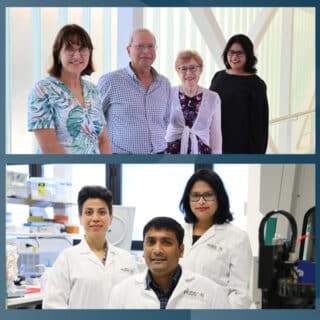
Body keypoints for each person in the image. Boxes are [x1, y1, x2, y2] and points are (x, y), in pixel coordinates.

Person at [42, 186, 137, 309]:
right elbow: (52, 306)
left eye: (102, 212)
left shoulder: (126, 259)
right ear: (80, 218)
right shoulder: (67, 258)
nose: (95, 218)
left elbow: (135, 302)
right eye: (89, 212)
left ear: (111, 218)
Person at [108, 217, 229, 309]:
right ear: (143, 250)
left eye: (166, 242)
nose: (157, 250)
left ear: (181, 251)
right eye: (151, 242)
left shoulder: (211, 292)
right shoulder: (121, 292)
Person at [28, 24, 111, 154]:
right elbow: (49, 147)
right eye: (70, 49)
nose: (77, 56)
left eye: (83, 49)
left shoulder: (93, 90)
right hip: (60, 170)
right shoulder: (43, 89)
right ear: (58, 54)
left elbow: (103, 140)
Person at [179, 169, 252, 308]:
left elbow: (240, 294)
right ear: (188, 199)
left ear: (219, 197)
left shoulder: (237, 237)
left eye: (208, 195)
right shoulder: (179, 233)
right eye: (195, 195)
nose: (201, 201)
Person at [97, 28, 171, 154]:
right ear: (128, 50)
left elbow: (165, 119)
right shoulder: (110, 81)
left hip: (160, 156)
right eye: (140, 46)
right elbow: (94, 121)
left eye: (150, 46)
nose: (146, 51)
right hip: (120, 158)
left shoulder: (164, 83)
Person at [209, 34, 269, 154]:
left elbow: (260, 127)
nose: (234, 57)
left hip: (239, 146)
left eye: (239, 53)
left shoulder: (256, 84)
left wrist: (257, 155)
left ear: (248, 55)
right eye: (231, 53)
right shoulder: (218, 76)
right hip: (214, 142)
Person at [166, 50, 222, 154]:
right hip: (171, 155)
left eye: (193, 68)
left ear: (200, 69)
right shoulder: (168, 94)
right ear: (177, 71)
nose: (188, 73)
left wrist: (217, 159)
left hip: (202, 156)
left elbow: (216, 135)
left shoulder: (213, 98)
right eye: (183, 69)